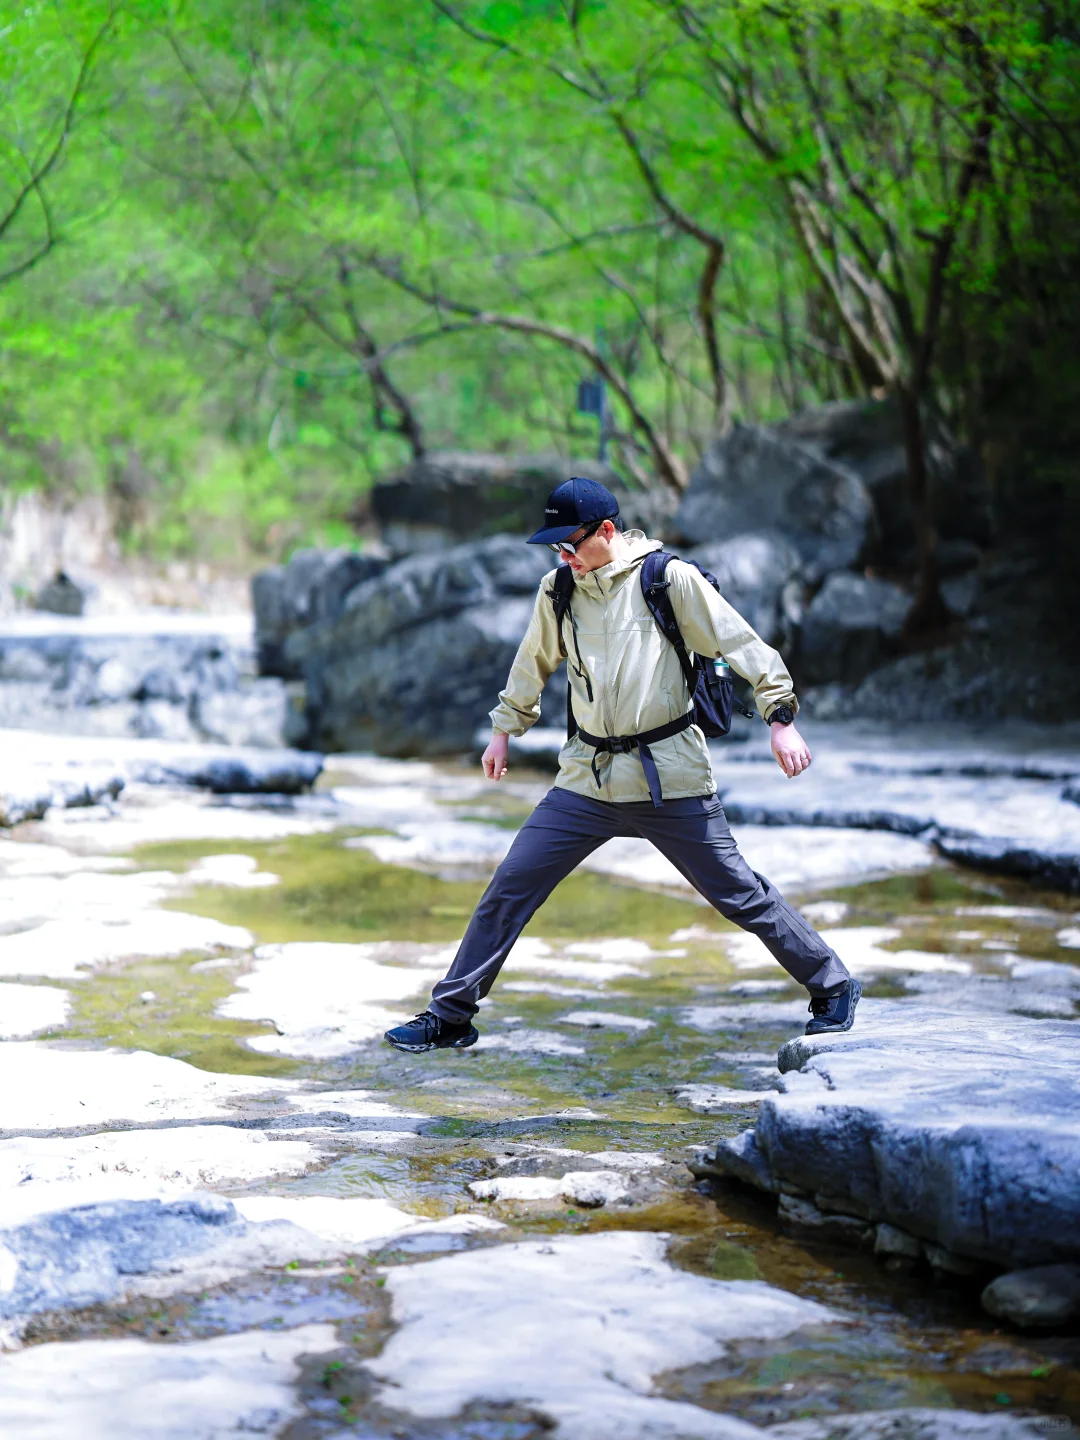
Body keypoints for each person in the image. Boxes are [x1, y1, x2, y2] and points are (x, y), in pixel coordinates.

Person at [385, 477, 859, 1053]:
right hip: (587, 779)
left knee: (739, 894)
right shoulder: (560, 589)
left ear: (606, 533)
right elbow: (531, 662)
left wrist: (780, 718)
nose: (563, 556)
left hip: (670, 779)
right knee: (511, 885)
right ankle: (451, 1014)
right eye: (556, 547)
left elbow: (743, 644)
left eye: (570, 544)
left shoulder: (667, 579)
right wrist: (504, 731)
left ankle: (833, 985)